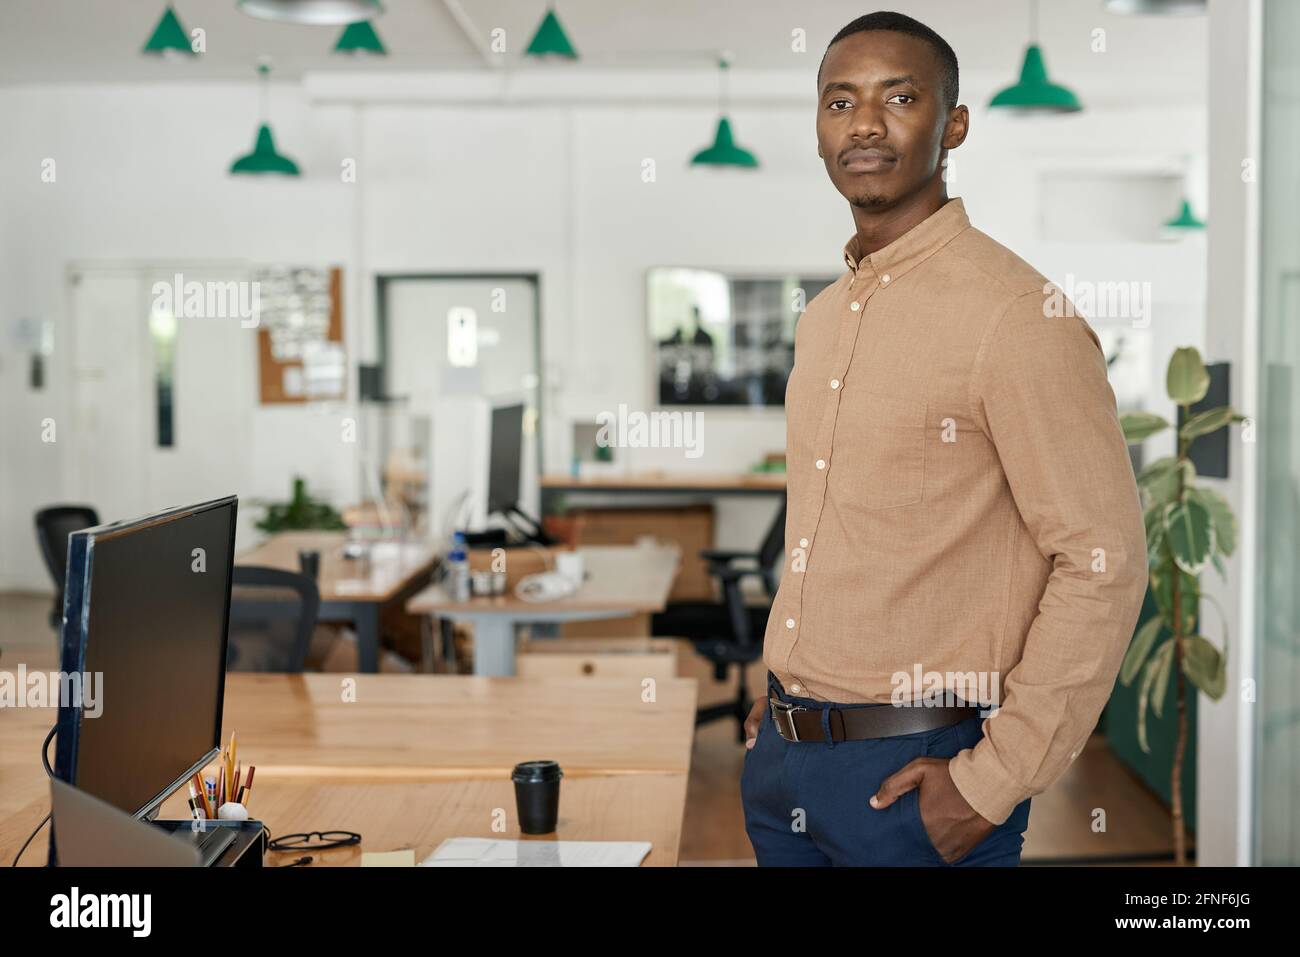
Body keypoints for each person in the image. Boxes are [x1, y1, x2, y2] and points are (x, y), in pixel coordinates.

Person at [740, 11, 1148, 866]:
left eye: (900, 96)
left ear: (953, 123)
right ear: (818, 128)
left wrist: (994, 780)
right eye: (840, 101)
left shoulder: (1016, 317)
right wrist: (782, 687)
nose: (865, 123)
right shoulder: (820, 322)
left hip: (920, 776)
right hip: (783, 764)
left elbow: (1102, 560)